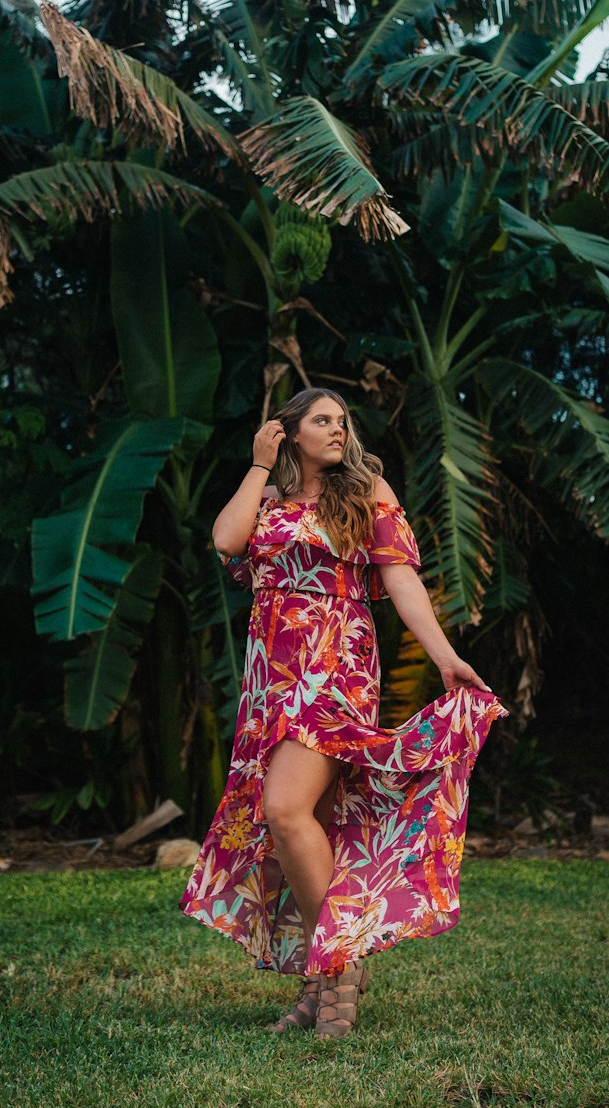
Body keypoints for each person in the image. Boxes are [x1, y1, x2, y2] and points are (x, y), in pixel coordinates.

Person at [179, 387, 508, 1038]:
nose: (337, 429)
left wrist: (444, 658)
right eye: (321, 420)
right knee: (307, 830)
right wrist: (256, 465)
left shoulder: (367, 493)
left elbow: (402, 580)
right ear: (290, 431)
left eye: (342, 420)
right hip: (270, 677)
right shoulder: (269, 501)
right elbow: (223, 539)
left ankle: (340, 968)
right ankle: (316, 980)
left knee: (283, 808)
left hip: (334, 667)